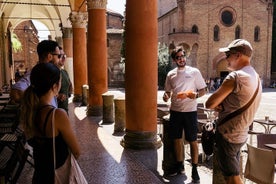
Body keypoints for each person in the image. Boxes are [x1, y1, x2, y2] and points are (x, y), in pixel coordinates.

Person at [205, 39, 262, 184]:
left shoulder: (235, 77)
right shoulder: (256, 76)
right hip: (241, 134)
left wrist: (218, 104)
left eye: (228, 54)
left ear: (238, 55)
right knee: (232, 174)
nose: (226, 58)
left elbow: (210, 103)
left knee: (232, 178)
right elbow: (238, 101)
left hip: (228, 135)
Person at [20, 62, 81, 184]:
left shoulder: (29, 111)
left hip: (39, 176)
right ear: (55, 86)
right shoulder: (57, 115)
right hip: (56, 176)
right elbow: (77, 151)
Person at [163, 47, 207, 182]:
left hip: (190, 112)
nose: (181, 59)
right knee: (176, 140)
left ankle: (194, 169)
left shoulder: (194, 72)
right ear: (174, 60)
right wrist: (166, 96)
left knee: (193, 141)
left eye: (183, 56)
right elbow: (168, 93)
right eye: (178, 57)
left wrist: (197, 95)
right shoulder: (171, 74)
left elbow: (204, 90)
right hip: (175, 111)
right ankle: (179, 165)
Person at [10, 40, 61, 104]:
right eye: (58, 56)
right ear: (49, 56)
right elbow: (16, 93)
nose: (59, 59)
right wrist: (39, 105)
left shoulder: (47, 73)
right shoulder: (37, 74)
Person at [57, 47, 73, 114]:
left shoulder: (64, 72)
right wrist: (57, 96)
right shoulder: (51, 73)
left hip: (65, 110)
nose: (63, 58)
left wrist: (69, 91)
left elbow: (70, 86)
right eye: (60, 56)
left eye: (64, 55)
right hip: (56, 111)